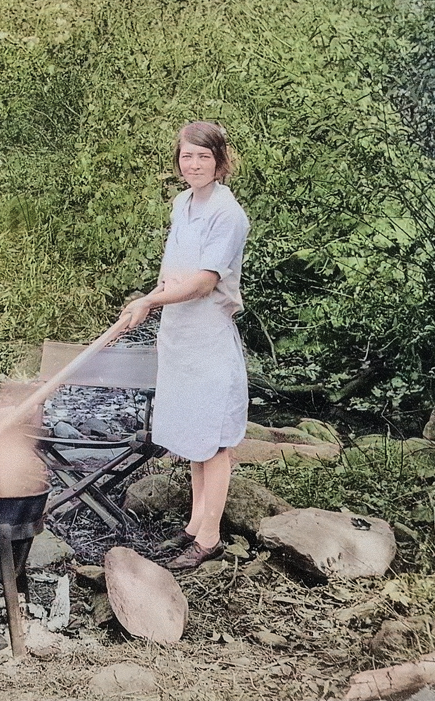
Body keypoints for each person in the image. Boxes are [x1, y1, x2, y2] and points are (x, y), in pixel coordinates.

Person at [122, 121, 250, 571]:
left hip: (210, 338)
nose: (193, 164)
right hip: (178, 335)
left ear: (220, 161)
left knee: (214, 442)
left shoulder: (228, 215)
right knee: (194, 437)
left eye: (203, 157)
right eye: (187, 156)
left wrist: (150, 300)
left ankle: (209, 540)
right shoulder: (182, 203)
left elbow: (202, 282)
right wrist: (152, 305)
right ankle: (195, 526)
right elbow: (172, 268)